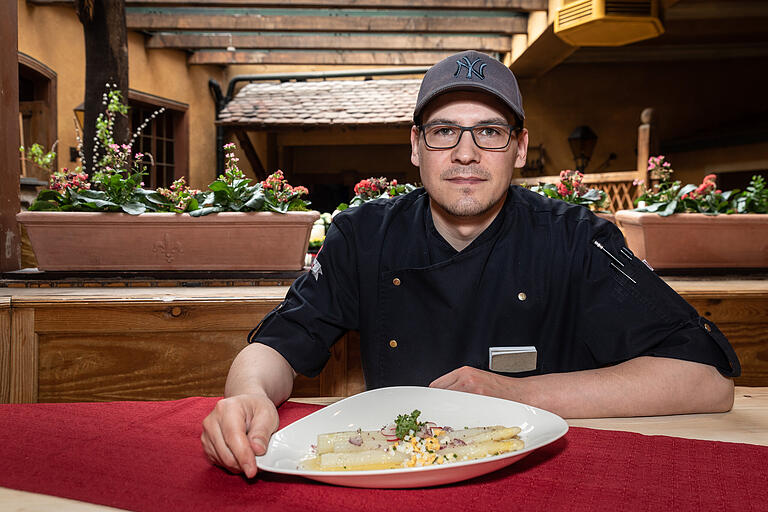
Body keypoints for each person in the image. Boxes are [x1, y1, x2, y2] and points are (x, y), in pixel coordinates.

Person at [201, 50, 741, 478]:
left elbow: (707, 380)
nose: (465, 153)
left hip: (541, 475)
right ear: (416, 146)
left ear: (520, 147)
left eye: (489, 131)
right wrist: (247, 398)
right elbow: (275, 346)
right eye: (444, 131)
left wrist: (518, 393)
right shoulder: (362, 236)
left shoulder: (576, 239)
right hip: (395, 475)